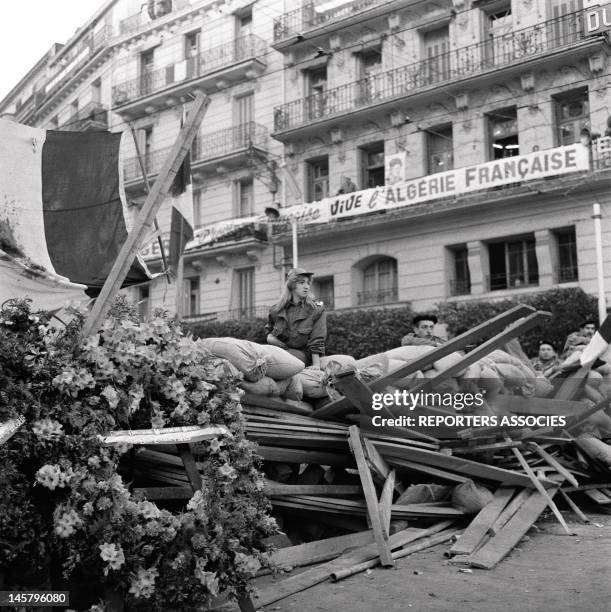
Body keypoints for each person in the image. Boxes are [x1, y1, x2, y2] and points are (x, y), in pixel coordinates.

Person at [266, 268, 326, 369]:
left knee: (282, 358)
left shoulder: (316, 309)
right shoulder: (276, 310)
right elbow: (269, 331)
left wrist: (316, 365)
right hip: (279, 351)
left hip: (302, 355)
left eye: (308, 283)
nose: (306, 286)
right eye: (302, 283)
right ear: (292, 285)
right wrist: (270, 338)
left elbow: (317, 338)